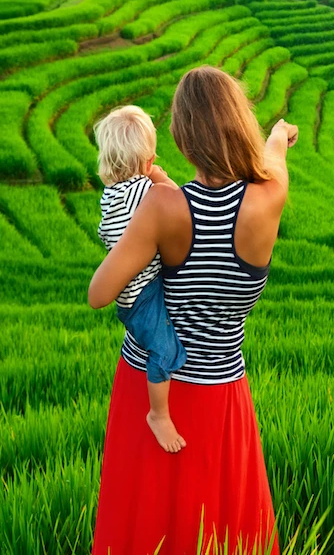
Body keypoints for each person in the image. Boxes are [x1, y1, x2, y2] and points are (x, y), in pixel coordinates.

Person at [89, 66, 298, 555]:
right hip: (222, 392)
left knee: (147, 523)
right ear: (238, 125)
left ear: (181, 140)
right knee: (221, 530)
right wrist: (277, 134)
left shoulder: (163, 206)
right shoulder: (270, 197)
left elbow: (100, 292)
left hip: (150, 390)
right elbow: (273, 157)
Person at [94, 105, 188, 454]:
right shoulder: (145, 191)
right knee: (163, 348)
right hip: (142, 296)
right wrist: (161, 179)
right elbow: (180, 204)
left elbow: (106, 233)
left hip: (133, 294)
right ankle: (159, 414)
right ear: (148, 161)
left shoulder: (112, 196)